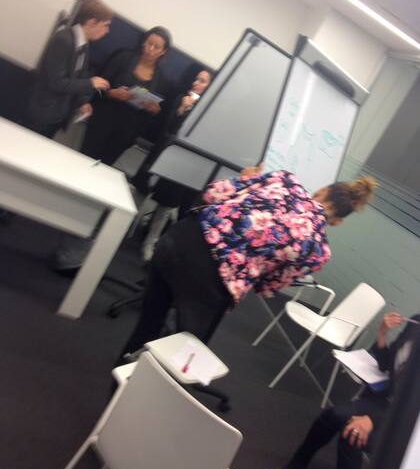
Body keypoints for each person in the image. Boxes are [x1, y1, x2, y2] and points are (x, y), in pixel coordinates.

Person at [117, 169, 377, 364]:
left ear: (320, 191)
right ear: (338, 221)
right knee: (184, 352)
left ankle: (120, 378)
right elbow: (268, 287)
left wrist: (243, 181)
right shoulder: (318, 250)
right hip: (212, 281)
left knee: (148, 323)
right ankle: (146, 397)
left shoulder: (283, 179)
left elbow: (212, 194)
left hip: (180, 240)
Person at [276, 312, 420, 469]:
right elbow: (387, 364)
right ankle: (294, 468)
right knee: (333, 415)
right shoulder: (415, 322)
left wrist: (373, 420)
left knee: (353, 435)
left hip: (407, 425)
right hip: (386, 402)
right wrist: (382, 333)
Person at [140, 68, 214, 262]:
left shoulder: (211, 110)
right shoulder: (182, 99)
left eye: (202, 81)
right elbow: (167, 127)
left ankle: (151, 242)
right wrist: (182, 109)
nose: (196, 83)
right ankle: (127, 229)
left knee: (168, 204)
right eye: (196, 79)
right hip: (163, 154)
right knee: (143, 190)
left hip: (185, 163)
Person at [81, 26, 174, 165]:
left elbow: (156, 115)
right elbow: (97, 84)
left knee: (105, 168)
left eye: (156, 47)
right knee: (84, 161)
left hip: (126, 133)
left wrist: (154, 110)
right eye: (149, 43)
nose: (150, 49)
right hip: (102, 121)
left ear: (163, 51)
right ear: (144, 41)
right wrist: (111, 93)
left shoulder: (161, 79)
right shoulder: (124, 57)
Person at [26, 0, 112, 138]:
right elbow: (56, 82)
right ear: (91, 22)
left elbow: (77, 77)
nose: (107, 31)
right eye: (106, 25)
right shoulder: (63, 40)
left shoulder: (84, 44)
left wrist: (81, 102)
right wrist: (90, 83)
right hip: (41, 114)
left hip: (58, 114)